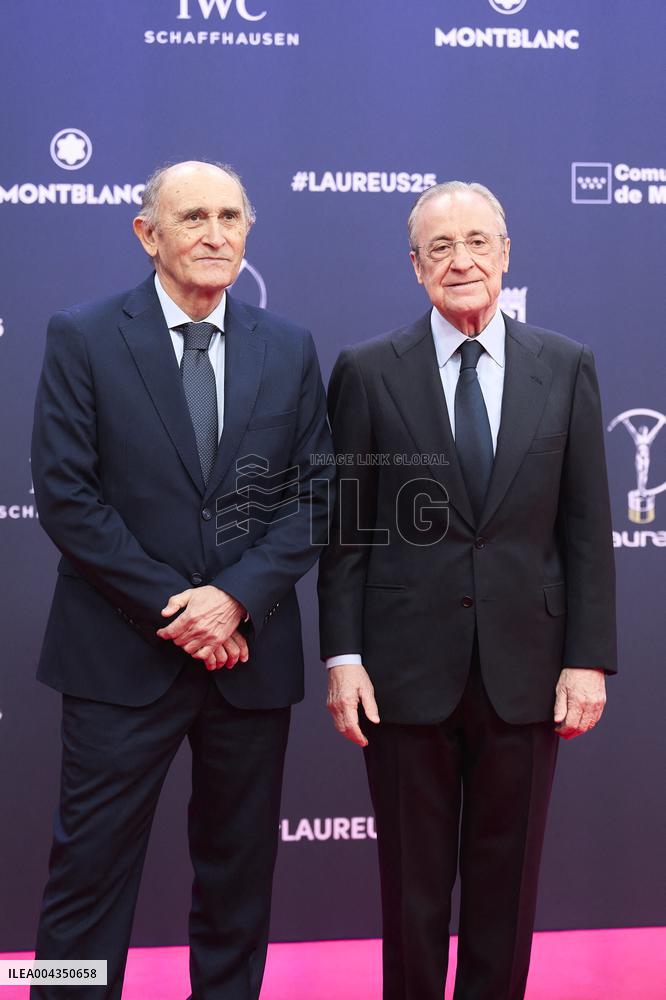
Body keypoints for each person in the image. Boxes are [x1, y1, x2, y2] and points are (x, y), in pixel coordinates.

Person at [31, 159, 334, 1000]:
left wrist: (234, 597)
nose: (214, 234)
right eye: (193, 216)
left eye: (231, 216)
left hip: (249, 662)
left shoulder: (289, 346)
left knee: (239, 888)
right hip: (118, 659)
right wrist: (182, 608)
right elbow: (65, 493)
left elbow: (316, 493)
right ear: (147, 234)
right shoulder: (83, 335)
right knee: (85, 880)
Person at [318, 181, 616, 1000]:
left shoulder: (566, 366)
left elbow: (588, 529)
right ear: (415, 267)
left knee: (506, 890)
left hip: (528, 671)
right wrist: (343, 657)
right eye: (441, 247)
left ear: (507, 254)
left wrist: (587, 658)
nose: (462, 260)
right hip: (404, 677)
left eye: (479, 241)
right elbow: (346, 536)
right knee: (411, 893)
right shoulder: (368, 371)